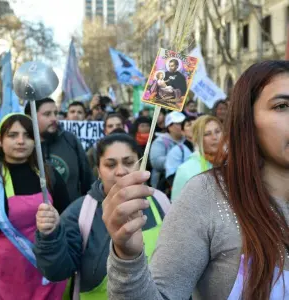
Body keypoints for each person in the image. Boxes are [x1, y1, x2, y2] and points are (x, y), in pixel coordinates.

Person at [102, 60, 289, 300]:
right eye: (282, 105)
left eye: (215, 132)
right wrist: (127, 258)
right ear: (246, 119)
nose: (213, 137)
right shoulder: (207, 194)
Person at [33, 134, 170, 300]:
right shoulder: (79, 213)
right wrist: (50, 236)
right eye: (110, 165)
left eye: (128, 162)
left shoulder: (162, 201)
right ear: (99, 171)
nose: (120, 171)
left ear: (141, 163)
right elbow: (56, 271)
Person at [0, 113, 70, 299]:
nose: (20, 141)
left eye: (27, 135)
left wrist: (57, 223)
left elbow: (68, 218)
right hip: (5, 273)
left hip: (47, 271)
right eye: (13, 135)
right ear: (0, 139)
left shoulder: (49, 175)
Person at [25, 98, 93, 202]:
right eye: (47, 114)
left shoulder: (70, 140)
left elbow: (87, 178)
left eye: (55, 113)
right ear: (31, 118)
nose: (54, 119)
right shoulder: (24, 146)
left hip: (72, 214)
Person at [171, 115, 222, 200]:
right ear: (197, 138)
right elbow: (177, 208)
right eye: (207, 134)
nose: (214, 137)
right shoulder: (185, 170)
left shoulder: (233, 163)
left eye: (217, 131)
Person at [149, 111, 185, 189]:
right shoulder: (160, 141)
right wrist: (178, 159)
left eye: (183, 123)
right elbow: (156, 162)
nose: (183, 126)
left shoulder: (187, 140)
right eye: (178, 124)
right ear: (169, 126)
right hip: (164, 185)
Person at [87, 114, 124, 179]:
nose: (114, 128)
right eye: (110, 126)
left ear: (123, 127)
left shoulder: (134, 148)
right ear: (105, 131)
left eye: (118, 125)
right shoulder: (93, 151)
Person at [165, 116, 196, 186]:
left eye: (196, 124)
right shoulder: (177, 151)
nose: (194, 127)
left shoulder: (208, 149)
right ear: (182, 132)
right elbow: (171, 177)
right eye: (189, 125)